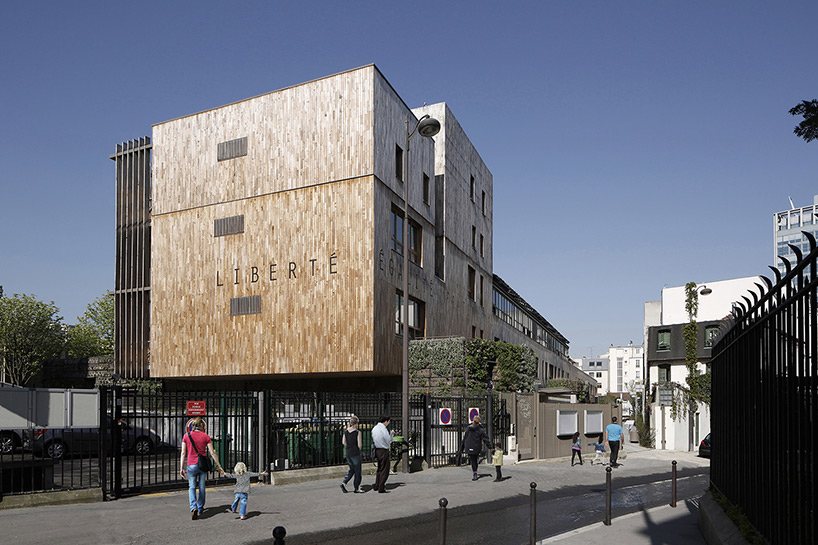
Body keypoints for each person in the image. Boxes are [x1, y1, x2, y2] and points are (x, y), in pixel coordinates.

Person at [180, 417, 224, 519]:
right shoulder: (205, 436)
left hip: (191, 465)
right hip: (202, 465)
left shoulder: (186, 436)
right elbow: (212, 452)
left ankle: (193, 507)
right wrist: (219, 466)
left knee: (191, 487)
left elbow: (183, 453)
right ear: (202, 426)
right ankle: (200, 508)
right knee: (201, 487)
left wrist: (181, 468)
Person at [461, 415, 492, 481]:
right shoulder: (480, 430)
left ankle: (474, 472)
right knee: (475, 459)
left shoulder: (468, 429)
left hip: (469, 446)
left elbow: (464, 439)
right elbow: (485, 439)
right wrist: (490, 447)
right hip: (476, 447)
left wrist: (461, 449)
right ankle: (475, 472)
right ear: (479, 422)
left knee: (473, 460)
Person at [340, 415, 363, 493]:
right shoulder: (358, 432)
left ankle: (344, 482)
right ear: (356, 423)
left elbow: (343, 442)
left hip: (348, 452)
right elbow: (359, 445)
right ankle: (356, 488)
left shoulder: (346, 431)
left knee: (351, 469)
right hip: (355, 453)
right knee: (358, 471)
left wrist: (348, 445)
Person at [371, 415, 392, 493]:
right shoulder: (383, 429)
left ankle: (377, 484)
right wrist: (392, 435)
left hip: (377, 449)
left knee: (379, 468)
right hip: (384, 450)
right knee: (385, 469)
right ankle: (381, 487)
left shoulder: (374, 428)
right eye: (388, 421)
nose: (389, 423)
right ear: (385, 421)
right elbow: (388, 440)